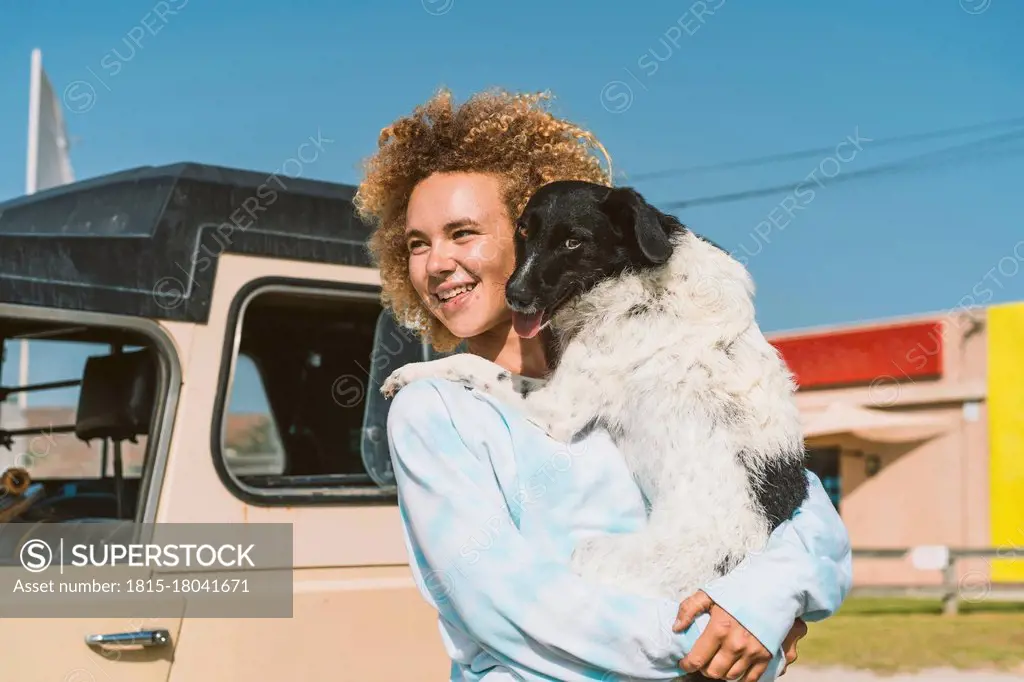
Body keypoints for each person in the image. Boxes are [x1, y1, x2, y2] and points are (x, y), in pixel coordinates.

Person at [354, 88, 852, 681]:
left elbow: (806, 517)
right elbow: (504, 607)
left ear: (533, 233)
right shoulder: (434, 408)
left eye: (463, 233)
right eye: (417, 242)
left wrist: (760, 605)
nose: (436, 263)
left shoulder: (641, 357)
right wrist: (711, 641)